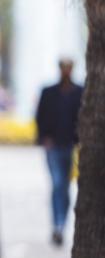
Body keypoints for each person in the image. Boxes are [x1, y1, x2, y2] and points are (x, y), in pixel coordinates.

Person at [36, 58, 83, 246]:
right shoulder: (48, 92)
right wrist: (44, 137)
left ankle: (62, 224)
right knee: (57, 184)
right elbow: (39, 116)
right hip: (53, 146)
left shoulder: (79, 92)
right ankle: (58, 225)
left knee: (65, 187)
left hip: (72, 147)